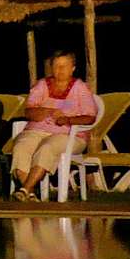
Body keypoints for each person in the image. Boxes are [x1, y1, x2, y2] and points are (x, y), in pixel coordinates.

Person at [12, 52, 96, 198]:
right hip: (37, 131)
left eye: (64, 66)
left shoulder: (80, 88)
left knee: (47, 147)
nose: (60, 70)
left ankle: (25, 189)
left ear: (73, 68)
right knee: (21, 146)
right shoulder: (42, 85)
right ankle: (29, 194)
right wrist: (47, 111)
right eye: (56, 66)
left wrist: (68, 120)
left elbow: (90, 118)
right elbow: (29, 112)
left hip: (69, 135)